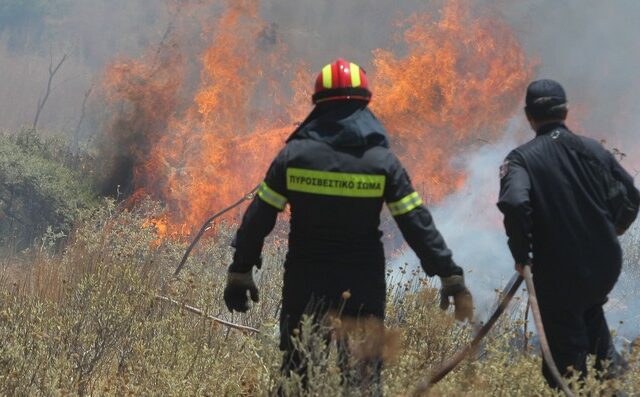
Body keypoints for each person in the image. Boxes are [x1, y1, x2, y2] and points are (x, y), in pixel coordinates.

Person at [223, 58, 473, 394]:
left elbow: (258, 218)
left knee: (298, 377)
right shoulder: (381, 162)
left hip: (305, 285)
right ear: (365, 105)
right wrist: (450, 275)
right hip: (362, 289)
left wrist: (240, 271)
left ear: (318, 105)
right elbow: (416, 224)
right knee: (362, 381)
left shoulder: (294, 156)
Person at [497, 79, 640, 389]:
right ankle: (610, 377)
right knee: (589, 314)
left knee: (565, 363)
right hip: (603, 265)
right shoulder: (591, 149)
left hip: (559, 272)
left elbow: (515, 202)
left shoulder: (521, 159)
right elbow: (631, 195)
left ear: (529, 116)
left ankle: (575, 382)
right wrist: (614, 230)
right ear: (565, 112)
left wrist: (522, 255)